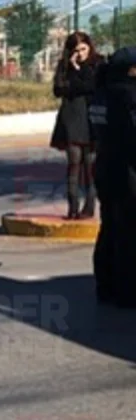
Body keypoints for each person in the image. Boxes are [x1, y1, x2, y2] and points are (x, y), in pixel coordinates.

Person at [93, 46, 136, 307]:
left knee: (109, 227)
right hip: (128, 172)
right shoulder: (128, 95)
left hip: (105, 168)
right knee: (129, 234)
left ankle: (106, 286)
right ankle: (127, 291)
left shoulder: (100, 94)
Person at [50, 32, 104, 220]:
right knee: (74, 165)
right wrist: (72, 69)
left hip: (91, 121)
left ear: (89, 47)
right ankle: (72, 207)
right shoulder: (65, 66)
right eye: (76, 51)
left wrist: (77, 73)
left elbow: (92, 86)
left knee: (91, 167)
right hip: (71, 119)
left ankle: (88, 208)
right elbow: (58, 89)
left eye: (83, 49)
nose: (80, 54)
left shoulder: (98, 64)